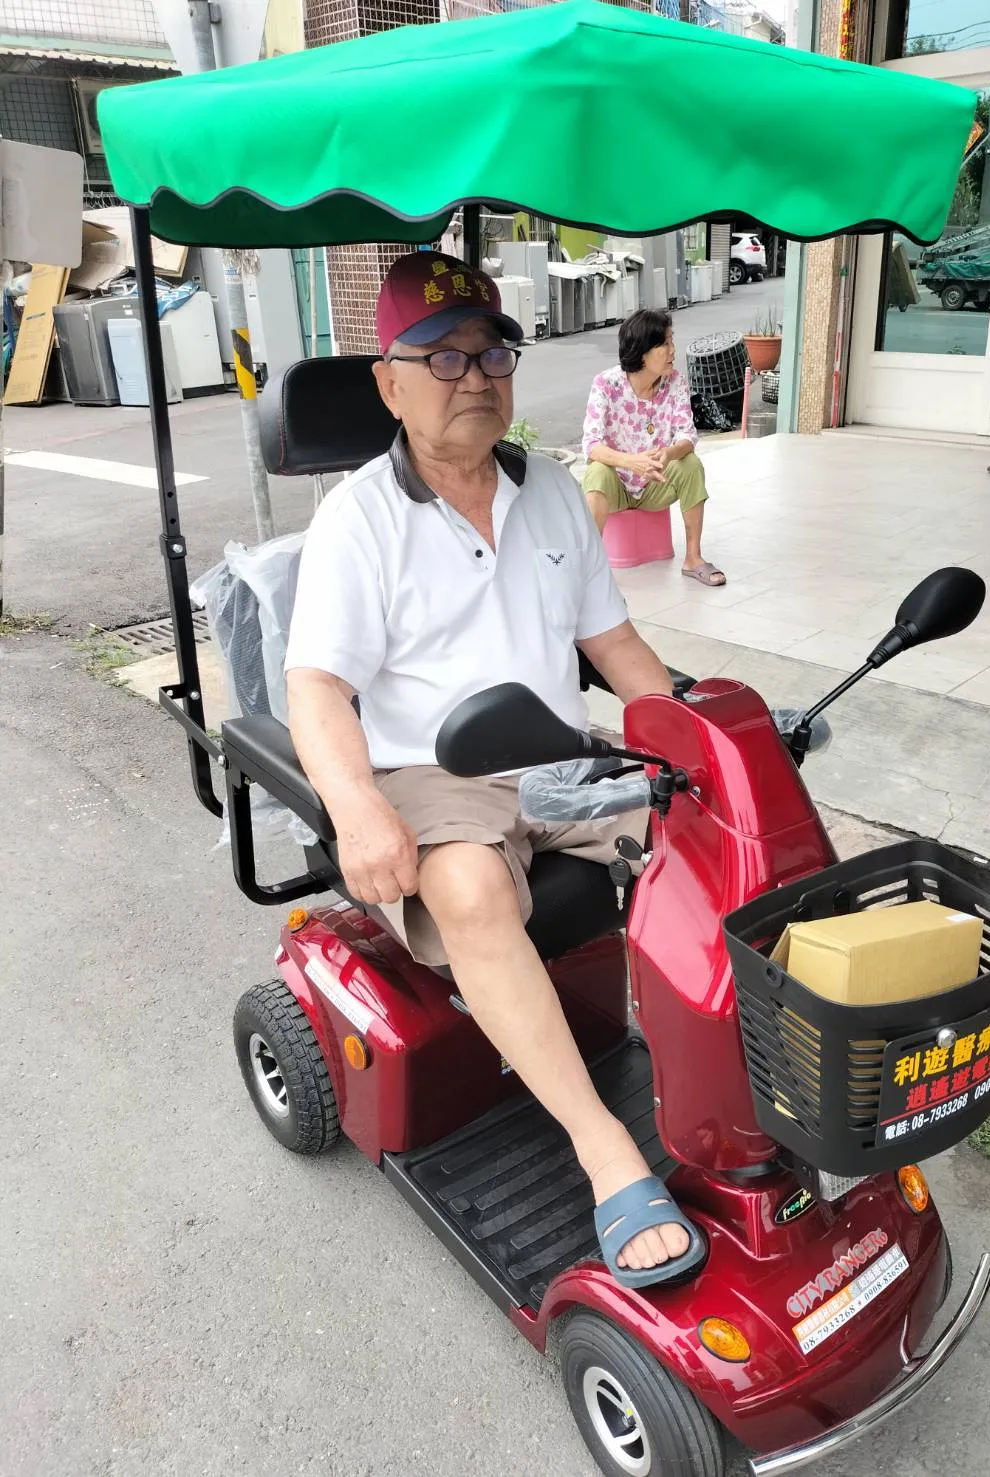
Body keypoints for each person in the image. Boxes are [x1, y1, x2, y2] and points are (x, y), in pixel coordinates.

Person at [284, 252, 703, 1289]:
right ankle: (605, 1149)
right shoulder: (356, 519)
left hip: (560, 755)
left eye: (490, 354)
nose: (473, 377)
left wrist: (697, 740)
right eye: (441, 358)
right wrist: (356, 806)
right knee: (469, 886)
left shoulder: (553, 489)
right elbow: (318, 688)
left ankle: (727, 1084)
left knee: (712, 831)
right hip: (433, 772)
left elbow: (615, 645)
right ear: (389, 383)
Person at [581, 309, 726, 587]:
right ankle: (589, 568)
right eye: (665, 344)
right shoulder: (606, 384)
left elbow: (687, 435)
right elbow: (591, 444)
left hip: (656, 483)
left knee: (690, 464)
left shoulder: (675, 382)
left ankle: (693, 558)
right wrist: (632, 462)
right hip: (616, 487)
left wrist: (669, 454)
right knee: (597, 472)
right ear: (642, 352)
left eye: (672, 341)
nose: (673, 350)